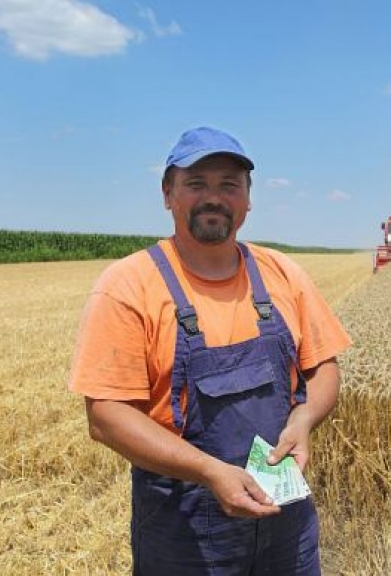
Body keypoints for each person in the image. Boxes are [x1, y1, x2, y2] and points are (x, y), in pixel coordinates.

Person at [67, 126, 352, 575]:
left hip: (286, 522)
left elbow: (324, 369)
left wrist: (303, 419)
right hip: (185, 531)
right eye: (196, 184)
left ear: (248, 199)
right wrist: (208, 471)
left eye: (228, 185)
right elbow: (106, 415)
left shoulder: (283, 273)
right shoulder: (128, 285)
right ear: (168, 194)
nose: (213, 197)